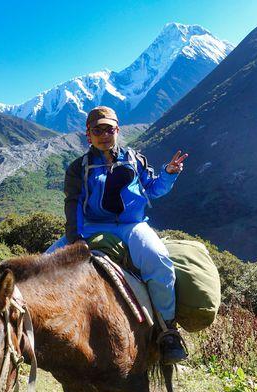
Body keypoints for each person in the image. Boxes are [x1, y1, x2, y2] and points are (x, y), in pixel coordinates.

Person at [46, 106, 188, 364]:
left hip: (131, 226)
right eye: (97, 130)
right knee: (44, 265)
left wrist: (169, 174)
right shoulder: (78, 168)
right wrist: (76, 238)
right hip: (91, 226)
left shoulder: (135, 160)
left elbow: (152, 190)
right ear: (88, 134)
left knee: (159, 261)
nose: (103, 134)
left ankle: (168, 331)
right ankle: (26, 328)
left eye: (108, 129)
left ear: (117, 130)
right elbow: (74, 204)